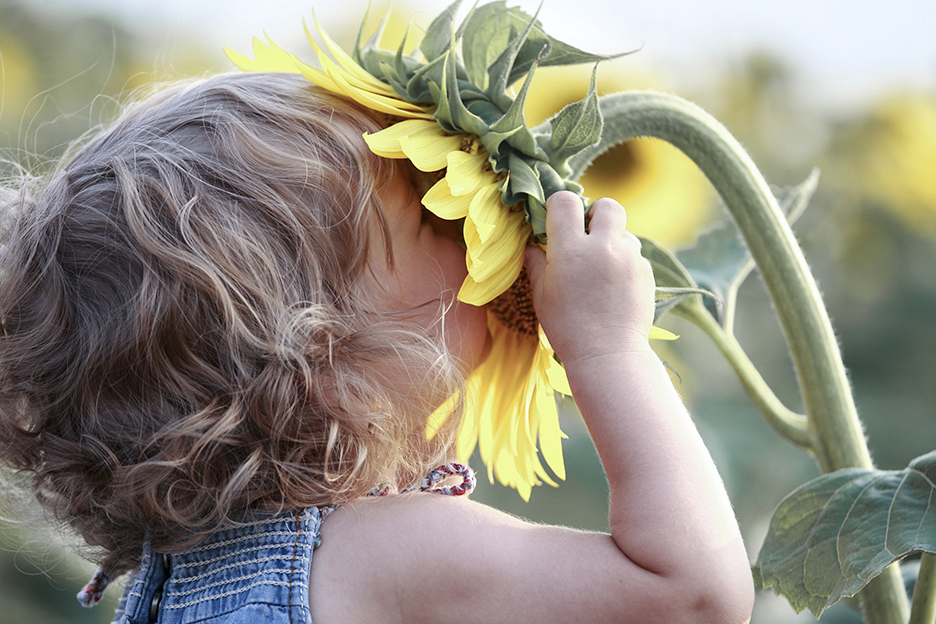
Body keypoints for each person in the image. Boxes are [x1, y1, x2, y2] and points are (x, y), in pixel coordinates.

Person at [0, 71, 754, 623]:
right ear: (330, 371)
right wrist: (609, 348)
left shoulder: (170, 581)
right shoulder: (389, 556)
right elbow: (690, 595)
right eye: (435, 218)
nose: (472, 238)